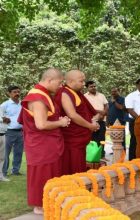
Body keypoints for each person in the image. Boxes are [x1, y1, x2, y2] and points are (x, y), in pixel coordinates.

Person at [18, 68, 71, 214]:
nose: (61, 86)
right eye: (59, 83)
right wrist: (60, 123)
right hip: (41, 144)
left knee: (50, 172)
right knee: (42, 173)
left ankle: (49, 201)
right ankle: (40, 205)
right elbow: (41, 124)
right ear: (49, 80)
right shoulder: (37, 97)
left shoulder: (43, 94)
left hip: (47, 142)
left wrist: (59, 120)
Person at [55, 70, 99, 175]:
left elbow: (89, 112)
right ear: (70, 81)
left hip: (79, 139)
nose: (84, 84)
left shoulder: (77, 93)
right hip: (71, 139)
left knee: (78, 166)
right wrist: (90, 126)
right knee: (73, 168)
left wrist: (93, 121)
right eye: (81, 81)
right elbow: (72, 115)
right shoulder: (65, 93)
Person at [1, 85, 24, 176]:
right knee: (5, 153)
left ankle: (15, 171)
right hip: (8, 132)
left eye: (18, 92)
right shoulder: (4, 105)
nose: (17, 94)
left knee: (18, 152)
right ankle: (4, 172)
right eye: (14, 92)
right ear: (9, 93)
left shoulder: (22, 104)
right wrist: (4, 119)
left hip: (21, 131)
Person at [84, 80, 108, 158]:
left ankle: (102, 155)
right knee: (91, 139)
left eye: (94, 86)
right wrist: (100, 111)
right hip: (91, 121)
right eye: (91, 87)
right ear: (87, 88)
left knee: (102, 139)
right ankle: (92, 156)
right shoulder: (85, 97)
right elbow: (87, 109)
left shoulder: (101, 95)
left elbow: (106, 106)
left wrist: (103, 114)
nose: (93, 88)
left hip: (102, 120)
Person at [0, 105, 10, 181]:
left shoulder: (2, 108)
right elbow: (3, 119)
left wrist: (5, 119)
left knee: (2, 157)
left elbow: (8, 120)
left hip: (3, 134)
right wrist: (3, 119)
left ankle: (0, 176)